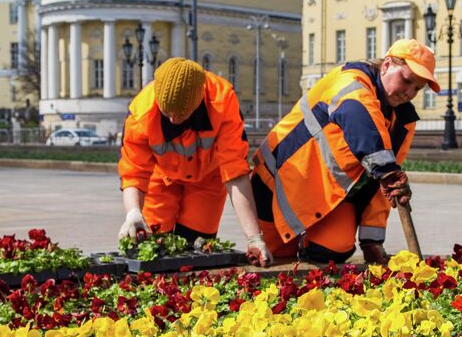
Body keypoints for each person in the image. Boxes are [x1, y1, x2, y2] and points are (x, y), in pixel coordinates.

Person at [250, 38, 438, 265]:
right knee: (272, 259)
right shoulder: (351, 82)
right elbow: (360, 119)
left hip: (325, 198)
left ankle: (308, 251)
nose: (409, 93)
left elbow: (381, 190)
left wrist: (372, 242)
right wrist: (388, 171)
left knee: (335, 247)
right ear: (387, 65)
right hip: (279, 185)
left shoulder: (403, 121)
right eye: (406, 80)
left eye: (417, 88)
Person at [117, 57, 272, 266]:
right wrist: (133, 211)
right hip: (161, 181)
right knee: (153, 249)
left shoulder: (222, 102)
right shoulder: (140, 114)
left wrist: (254, 238)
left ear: (198, 101)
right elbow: (134, 171)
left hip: (207, 182)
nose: (172, 120)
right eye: (166, 112)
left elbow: (235, 172)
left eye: (180, 113)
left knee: (197, 251)